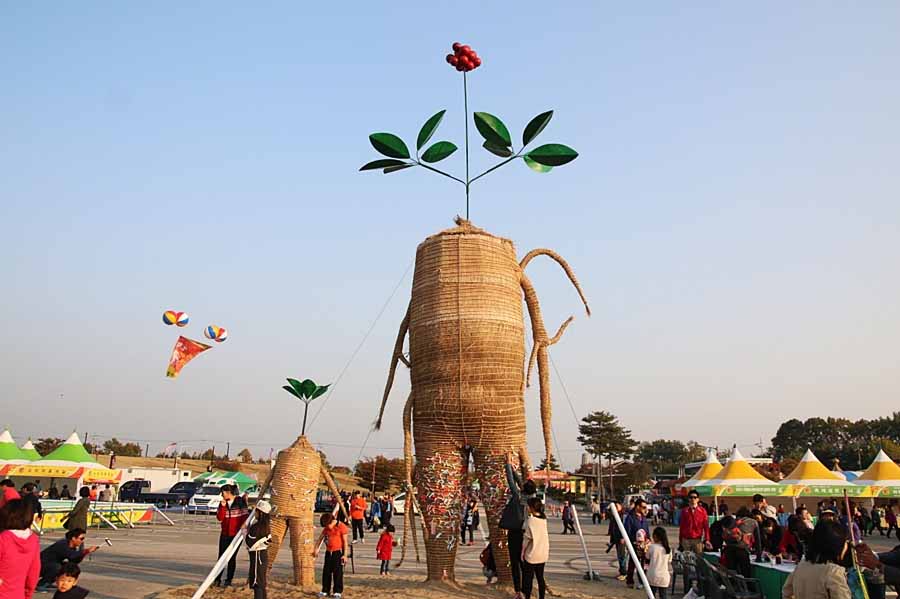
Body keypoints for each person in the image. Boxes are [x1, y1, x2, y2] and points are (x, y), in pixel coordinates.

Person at [783, 520, 852, 599]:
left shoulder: (801, 566)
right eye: (845, 543)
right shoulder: (833, 572)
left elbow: (786, 592)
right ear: (837, 546)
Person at [501, 456, 537, 599]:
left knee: (515, 562)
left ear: (523, 488)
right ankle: (526, 590)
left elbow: (511, 481)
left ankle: (518, 592)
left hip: (515, 532)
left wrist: (508, 465)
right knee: (525, 563)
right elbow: (520, 483)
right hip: (527, 533)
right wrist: (512, 468)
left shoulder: (517, 497)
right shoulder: (532, 499)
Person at [0, 498, 41, 599]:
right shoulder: (33, 540)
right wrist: (27, 594)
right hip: (18, 594)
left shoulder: (3, 539)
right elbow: (33, 573)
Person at [214, 484, 249, 587]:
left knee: (231, 557)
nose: (222, 495)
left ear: (228, 492)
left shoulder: (240, 502)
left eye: (223, 493)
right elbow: (220, 518)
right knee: (221, 557)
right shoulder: (222, 504)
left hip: (236, 535)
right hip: (225, 534)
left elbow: (245, 517)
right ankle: (217, 579)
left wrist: (243, 529)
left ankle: (229, 579)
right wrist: (223, 506)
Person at [313, 512, 349, 599]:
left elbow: (345, 542)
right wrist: (316, 549)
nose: (327, 527)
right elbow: (320, 539)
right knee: (326, 572)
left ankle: (337, 591)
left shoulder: (341, 527)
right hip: (329, 552)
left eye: (327, 525)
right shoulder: (326, 528)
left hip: (338, 552)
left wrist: (345, 555)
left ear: (332, 521)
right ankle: (325, 590)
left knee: (337, 573)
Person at [521, 497, 549, 599]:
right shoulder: (544, 519)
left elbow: (527, 539)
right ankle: (542, 597)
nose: (527, 508)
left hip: (532, 555)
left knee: (528, 579)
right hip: (543, 553)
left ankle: (527, 597)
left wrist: (522, 552)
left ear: (532, 508)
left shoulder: (531, 520)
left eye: (528, 506)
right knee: (540, 577)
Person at [245, 499, 272, 599]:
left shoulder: (258, 527)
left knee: (257, 583)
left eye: (256, 511)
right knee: (261, 582)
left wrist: (244, 532)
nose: (255, 513)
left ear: (260, 513)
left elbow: (250, 543)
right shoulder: (265, 525)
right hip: (261, 555)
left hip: (258, 556)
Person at [624, 498, 650, 588]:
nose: (645, 509)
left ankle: (642, 581)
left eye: (646, 507)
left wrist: (648, 539)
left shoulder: (644, 518)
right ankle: (630, 581)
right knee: (632, 563)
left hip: (644, 545)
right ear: (637, 507)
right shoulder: (630, 517)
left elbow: (647, 530)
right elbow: (627, 531)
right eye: (643, 507)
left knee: (644, 564)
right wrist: (628, 543)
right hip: (634, 544)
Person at [647, 527, 671, 599]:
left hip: (653, 575)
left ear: (655, 536)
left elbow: (647, 557)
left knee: (651, 595)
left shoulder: (652, 547)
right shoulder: (668, 549)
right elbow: (669, 561)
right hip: (664, 576)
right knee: (663, 596)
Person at [608, 502, 628, 581]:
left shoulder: (623, 516)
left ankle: (624, 573)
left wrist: (623, 537)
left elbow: (625, 527)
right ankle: (621, 571)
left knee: (622, 556)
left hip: (621, 539)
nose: (615, 508)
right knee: (620, 556)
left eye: (617, 506)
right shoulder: (615, 515)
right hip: (616, 538)